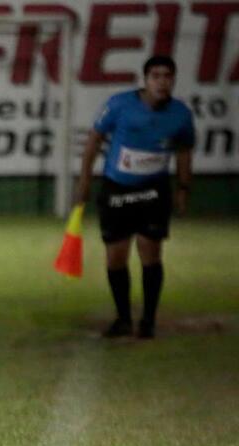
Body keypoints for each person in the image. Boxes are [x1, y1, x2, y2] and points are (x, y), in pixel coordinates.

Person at [77, 55, 194, 339]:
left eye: (167, 76)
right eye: (156, 76)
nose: (162, 81)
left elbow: (183, 151)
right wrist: (85, 179)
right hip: (118, 189)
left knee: (150, 253)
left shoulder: (181, 114)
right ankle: (123, 318)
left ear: (173, 80)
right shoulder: (119, 104)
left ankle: (148, 321)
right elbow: (95, 138)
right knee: (116, 257)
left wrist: (183, 188)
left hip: (154, 190)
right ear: (145, 80)